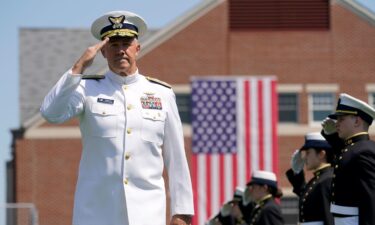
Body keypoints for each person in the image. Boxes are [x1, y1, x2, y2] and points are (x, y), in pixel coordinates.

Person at [40, 10, 194, 225]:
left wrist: (182, 212)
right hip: (96, 213)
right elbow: (51, 113)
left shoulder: (162, 93)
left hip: (147, 214)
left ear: (137, 49)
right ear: (103, 52)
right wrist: (78, 68)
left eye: (126, 44)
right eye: (113, 45)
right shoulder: (86, 88)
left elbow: (176, 157)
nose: (120, 51)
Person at [321, 93, 375, 225]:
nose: (336, 124)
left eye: (341, 119)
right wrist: (332, 136)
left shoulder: (364, 151)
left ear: (357, 121)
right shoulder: (354, 148)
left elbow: (371, 198)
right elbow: (344, 157)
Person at [286, 132, 334, 225]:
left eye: (308, 153)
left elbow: (329, 219)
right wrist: (296, 171)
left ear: (321, 154)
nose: (304, 157)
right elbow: (304, 194)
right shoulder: (318, 179)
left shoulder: (327, 179)